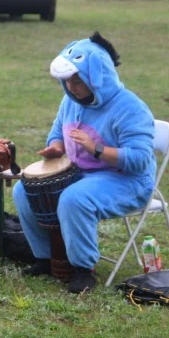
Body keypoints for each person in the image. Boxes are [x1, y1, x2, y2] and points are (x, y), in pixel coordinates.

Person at [12, 32, 156, 294]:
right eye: (67, 82)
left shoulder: (131, 108)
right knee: (23, 189)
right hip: (83, 174)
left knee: (74, 198)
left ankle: (82, 269)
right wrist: (55, 147)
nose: (71, 88)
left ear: (97, 77)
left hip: (127, 180)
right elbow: (58, 132)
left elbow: (140, 160)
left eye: (77, 81)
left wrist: (97, 149)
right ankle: (46, 258)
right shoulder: (71, 101)